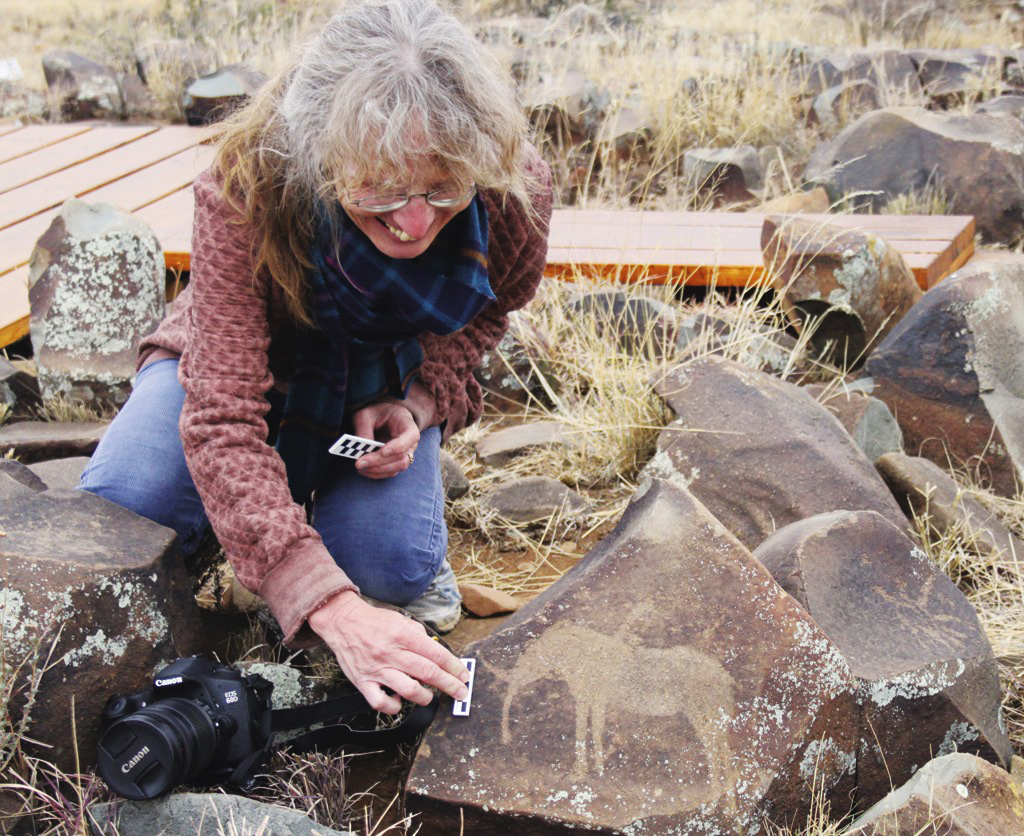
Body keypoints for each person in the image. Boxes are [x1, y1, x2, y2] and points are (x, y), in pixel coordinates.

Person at [79, 0, 552, 714]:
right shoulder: (250, 179)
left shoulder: (511, 187)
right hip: (229, 358)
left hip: (381, 368)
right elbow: (222, 418)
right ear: (318, 155)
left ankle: (279, 533)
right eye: (380, 189)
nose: (416, 220)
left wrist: (420, 397)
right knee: (124, 511)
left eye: (442, 189)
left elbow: (488, 314)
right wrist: (326, 604)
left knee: (384, 570)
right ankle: (244, 535)